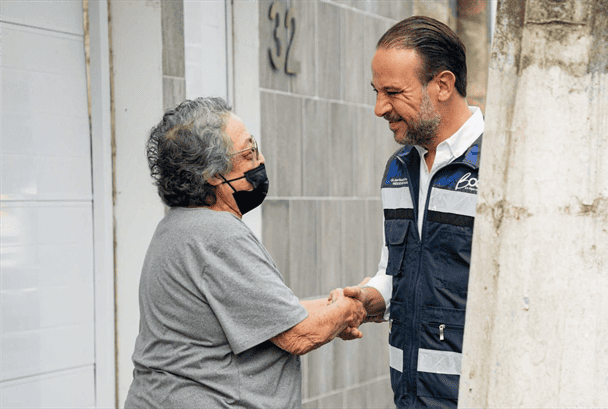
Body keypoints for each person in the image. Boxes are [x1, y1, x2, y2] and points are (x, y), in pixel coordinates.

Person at [124, 97, 366, 408]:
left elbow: (273, 314)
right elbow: (298, 334)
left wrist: (340, 303)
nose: (261, 159)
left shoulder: (178, 227)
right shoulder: (218, 235)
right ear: (212, 173)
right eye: (249, 153)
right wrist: (349, 310)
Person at [340, 16, 485, 408]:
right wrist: (370, 298)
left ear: (442, 85)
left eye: (392, 92)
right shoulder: (398, 169)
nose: (378, 108)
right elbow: (397, 269)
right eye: (375, 91)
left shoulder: (498, 168)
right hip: (409, 397)